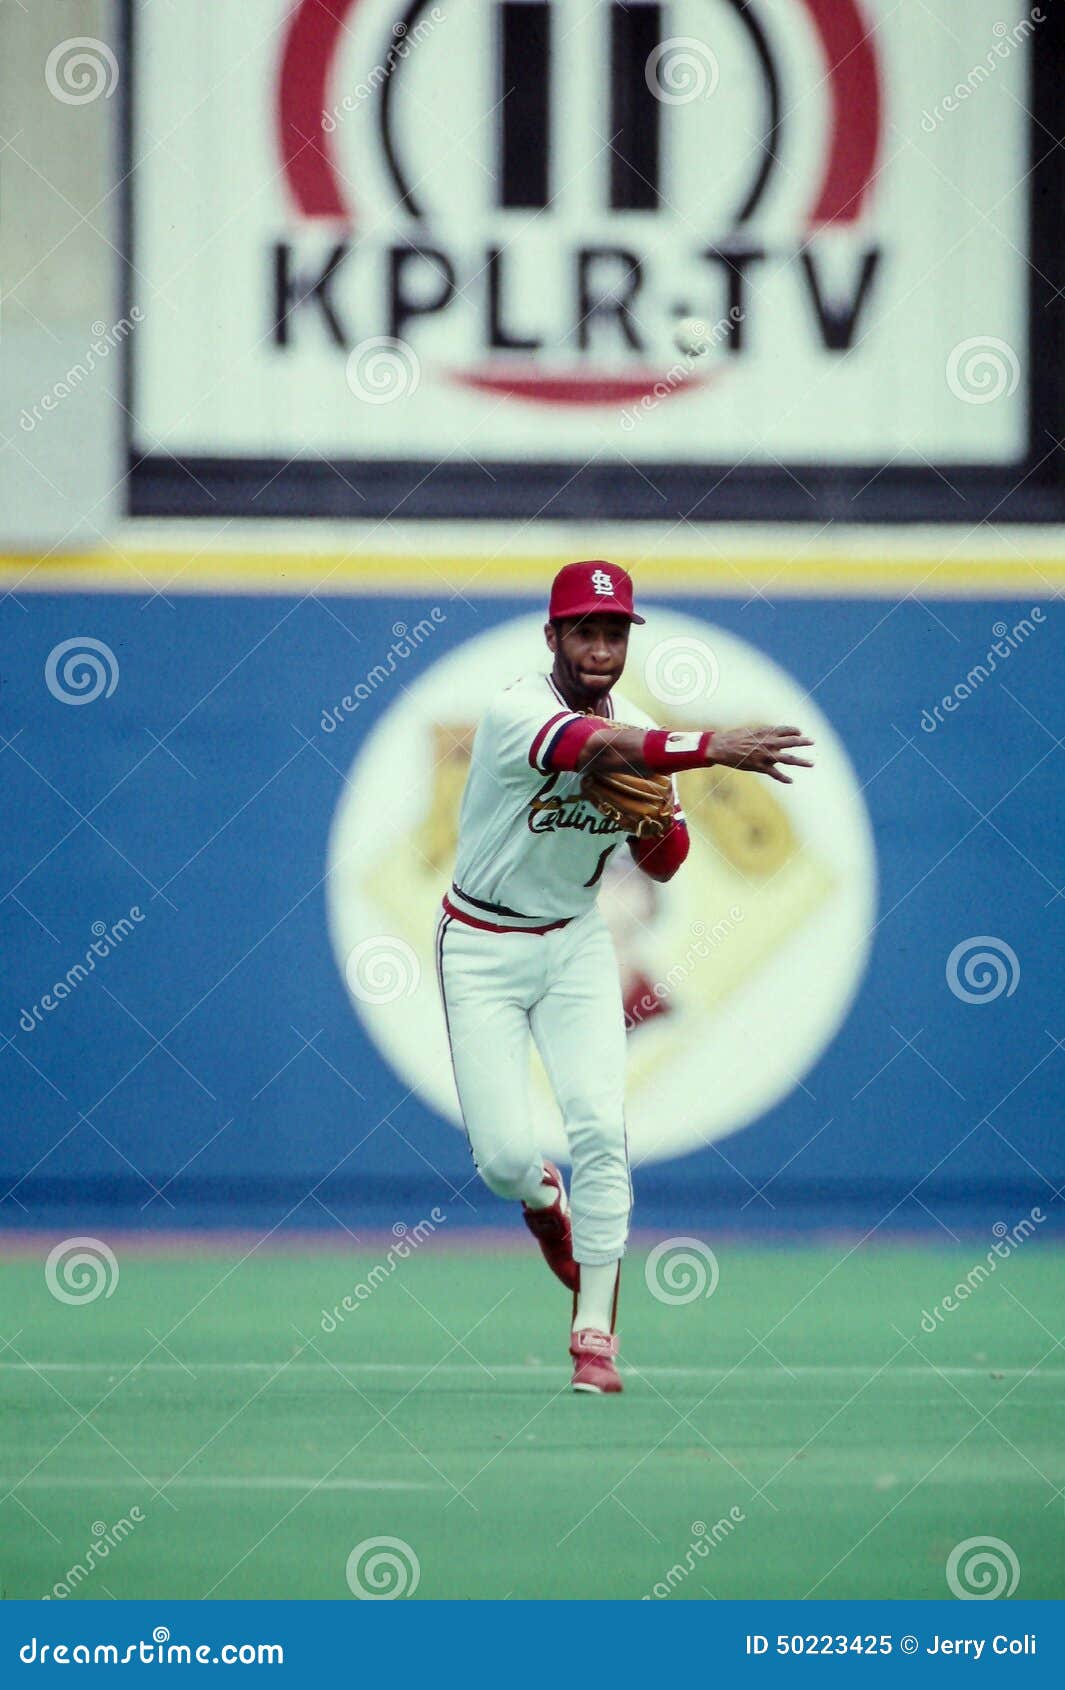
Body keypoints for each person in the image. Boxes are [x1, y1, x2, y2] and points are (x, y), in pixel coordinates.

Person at [435, 561, 813, 1393]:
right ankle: (544, 1203)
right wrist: (709, 748)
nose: (600, 646)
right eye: (584, 630)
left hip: (573, 942)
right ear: (553, 637)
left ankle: (594, 1337)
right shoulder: (515, 711)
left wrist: (648, 815)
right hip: (481, 941)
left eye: (613, 632)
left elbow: (668, 863)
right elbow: (585, 745)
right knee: (502, 1159)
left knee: (601, 1129)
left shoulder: (639, 727)